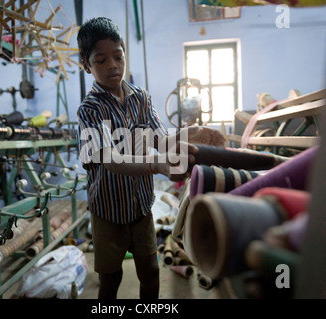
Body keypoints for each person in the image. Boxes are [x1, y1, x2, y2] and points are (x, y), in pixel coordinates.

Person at [77, 17, 225, 299]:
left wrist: (190, 134)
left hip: (141, 205)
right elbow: (110, 159)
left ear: (124, 53)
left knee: (151, 271)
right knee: (111, 278)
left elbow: (160, 138)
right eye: (101, 60)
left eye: (118, 56)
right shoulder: (90, 109)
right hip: (107, 209)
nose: (113, 65)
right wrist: (157, 165)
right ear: (86, 64)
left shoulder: (140, 98)